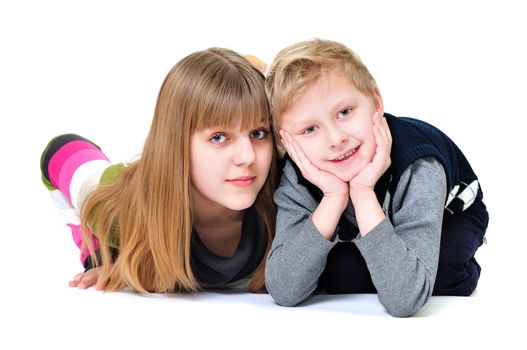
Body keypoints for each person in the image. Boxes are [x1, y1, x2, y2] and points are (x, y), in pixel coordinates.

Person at [264, 39, 488, 317]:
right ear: (286, 141)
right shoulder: (297, 175)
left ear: (376, 102)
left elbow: (406, 301)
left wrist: (362, 192)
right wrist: (334, 199)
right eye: (309, 129)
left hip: (451, 213)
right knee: (333, 270)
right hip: (361, 223)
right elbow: (285, 290)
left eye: (345, 112)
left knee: (439, 277)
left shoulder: (419, 167)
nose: (336, 139)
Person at [41, 48, 278, 293]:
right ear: (176, 144)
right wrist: (104, 257)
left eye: (258, 133)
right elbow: (58, 150)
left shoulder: (290, 193)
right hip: (126, 194)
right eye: (218, 137)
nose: (247, 157)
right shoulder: (120, 212)